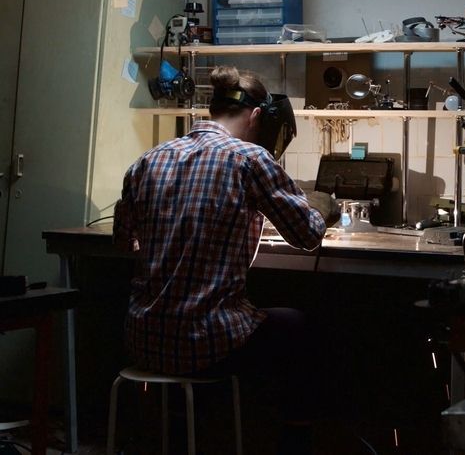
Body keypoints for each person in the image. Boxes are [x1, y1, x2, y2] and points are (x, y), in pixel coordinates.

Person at [114, 66, 333, 454]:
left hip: (141, 340)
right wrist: (320, 204)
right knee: (298, 327)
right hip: (204, 345)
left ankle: (184, 435)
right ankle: (293, 444)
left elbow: (122, 243)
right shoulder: (250, 159)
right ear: (257, 116)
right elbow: (308, 235)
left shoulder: (148, 160)